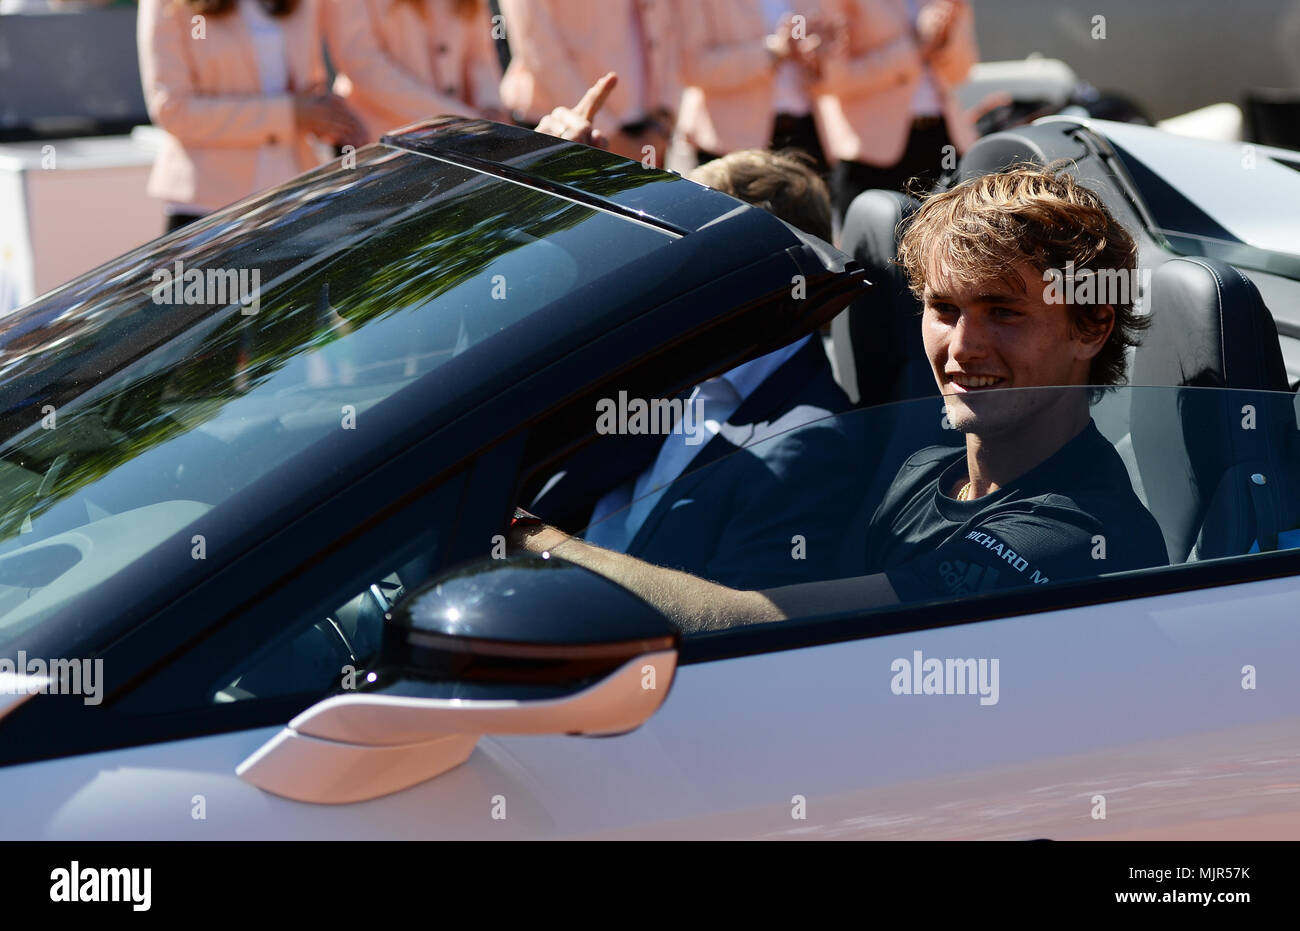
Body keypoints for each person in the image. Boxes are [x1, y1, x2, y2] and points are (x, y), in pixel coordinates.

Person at [509, 164, 1169, 632]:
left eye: (1004, 312)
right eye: (944, 308)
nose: (964, 346)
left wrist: (524, 536)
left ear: (1091, 325)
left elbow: (752, 624)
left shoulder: (1077, 534)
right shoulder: (921, 473)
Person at [527, 145, 859, 589]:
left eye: (689, 251)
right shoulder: (666, 373)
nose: (669, 269)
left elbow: (738, 631)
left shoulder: (809, 445)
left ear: (759, 271)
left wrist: (533, 543)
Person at [138, 0, 365, 232]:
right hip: (208, 208)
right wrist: (290, 113)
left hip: (294, 199)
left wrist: (329, 117)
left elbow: (310, 86)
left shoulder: (306, 5)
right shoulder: (168, 5)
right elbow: (173, 111)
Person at [817, 0, 979, 220]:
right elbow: (828, 80)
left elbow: (961, 73)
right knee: (876, 247)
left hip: (943, 140)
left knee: (951, 242)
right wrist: (914, 46)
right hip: (872, 150)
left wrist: (944, 39)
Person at [497, 0, 679, 163]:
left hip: (647, 128)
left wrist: (662, 121)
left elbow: (668, 26)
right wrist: (611, 138)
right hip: (558, 129)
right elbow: (538, 49)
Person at [324, 0, 507, 145]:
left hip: (457, 140)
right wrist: (459, 119)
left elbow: (480, 55)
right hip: (379, 143)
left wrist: (490, 104)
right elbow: (363, 64)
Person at [675, 0, 830, 168]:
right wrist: (772, 52)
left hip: (807, 134)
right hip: (730, 143)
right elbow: (692, 67)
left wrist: (817, 53)